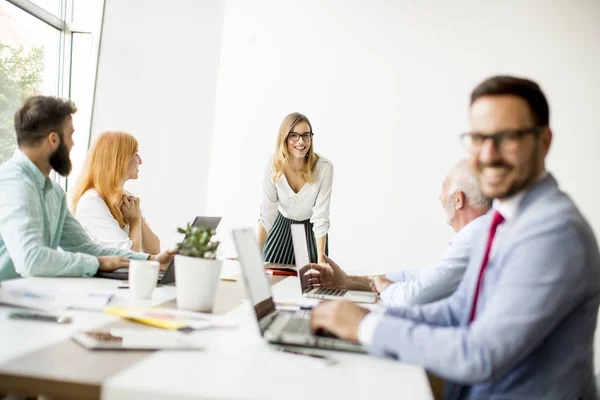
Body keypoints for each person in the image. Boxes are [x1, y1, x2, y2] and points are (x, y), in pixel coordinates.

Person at [310, 76, 600, 399]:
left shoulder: (554, 234)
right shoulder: (503, 220)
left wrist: (367, 328)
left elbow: (480, 354)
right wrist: (364, 316)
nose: (488, 154)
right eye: (478, 138)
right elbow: (458, 311)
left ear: (544, 142)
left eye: (506, 138)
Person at [0, 96, 173, 282]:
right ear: (53, 139)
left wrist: (151, 259)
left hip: (28, 297)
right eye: (71, 135)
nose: (73, 144)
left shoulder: (54, 192)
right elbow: (31, 260)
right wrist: (96, 263)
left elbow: (86, 248)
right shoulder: (13, 183)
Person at [306, 159, 490, 306]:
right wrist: (346, 281)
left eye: (444, 188)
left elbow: (413, 297)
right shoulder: (477, 235)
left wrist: (386, 289)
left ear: (458, 200)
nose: (439, 197)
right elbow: (419, 277)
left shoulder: (472, 242)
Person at [258, 112, 333, 265]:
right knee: (271, 280)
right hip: (280, 230)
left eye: (306, 135)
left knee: (310, 283)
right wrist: (252, 255)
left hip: (310, 235)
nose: (301, 141)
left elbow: (321, 217)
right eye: (294, 135)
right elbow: (267, 214)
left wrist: (321, 260)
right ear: (284, 138)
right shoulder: (273, 165)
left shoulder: (324, 168)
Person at [71, 131, 160, 253]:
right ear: (120, 159)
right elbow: (130, 256)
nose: (140, 161)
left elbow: (154, 250)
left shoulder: (126, 197)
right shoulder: (91, 201)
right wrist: (135, 220)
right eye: (136, 154)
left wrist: (137, 215)